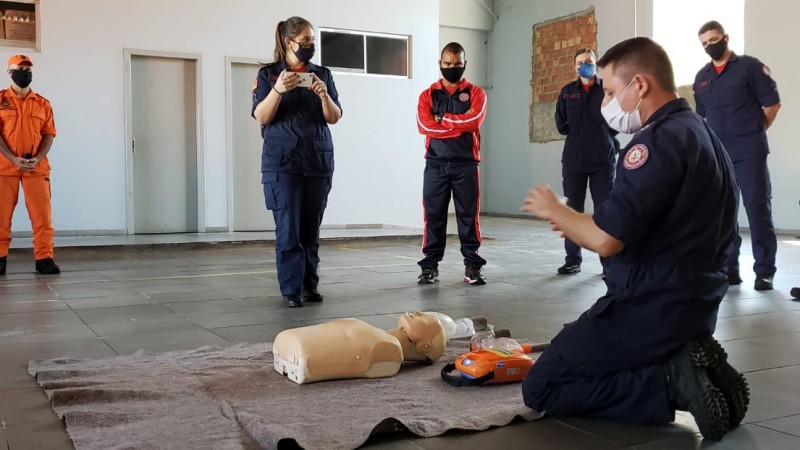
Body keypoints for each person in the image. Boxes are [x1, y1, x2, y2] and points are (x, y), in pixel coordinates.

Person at [520, 37, 748, 441]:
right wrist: (577, 222)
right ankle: (686, 362)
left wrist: (557, 210)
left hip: (650, 306)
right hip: (697, 302)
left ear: (638, 85)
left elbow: (608, 240)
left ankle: (670, 381)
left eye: (610, 91)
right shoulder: (702, 133)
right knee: (572, 346)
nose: (608, 102)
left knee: (542, 386)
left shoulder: (655, 143)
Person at [252, 16, 342, 308]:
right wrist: (278, 89)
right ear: (289, 42)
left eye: (313, 40)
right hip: (282, 163)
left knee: (310, 228)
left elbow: (334, 117)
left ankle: (308, 285)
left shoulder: (322, 74)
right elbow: (261, 116)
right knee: (288, 227)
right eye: (305, 40)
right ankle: (291, 289)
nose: (311, 45)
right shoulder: (268, 75)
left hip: (317, 161)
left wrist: (324, 95)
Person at [694, 20, 781, 291]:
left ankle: (764, 271)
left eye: (714, 39)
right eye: (705, 43)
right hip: (719, 156)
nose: (710, 45)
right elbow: (702, 117)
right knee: (724, 214)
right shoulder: (702, 77)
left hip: (749, 152)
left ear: (726, 38)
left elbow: (772, 105)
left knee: (757, 210)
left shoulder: (750, 67)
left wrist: (754, 131)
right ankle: (729, 269)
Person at [416, 42, 488, 285]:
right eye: (448, 64)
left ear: (464, 64)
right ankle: (429, 267)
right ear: (440, 64)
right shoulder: (428, 95)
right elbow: (425, 126)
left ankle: (473, 267)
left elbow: (474, 121)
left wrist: (443, 119)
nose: (452, 68)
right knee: (433, 216)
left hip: (466, 164)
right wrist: (458, 126)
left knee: (469, 217)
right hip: (435, 164)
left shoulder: (477, 93)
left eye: (457, 64)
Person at [554, 48, 618, 275]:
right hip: (574, 161)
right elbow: (561, 124)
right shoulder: (567, 92)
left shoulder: (608, 89)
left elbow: (617, 122)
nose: (585, 65)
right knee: (572, 212)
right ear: (574, 66)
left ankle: (609, 263)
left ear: (596, 63)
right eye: (580, 62)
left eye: (589, 61)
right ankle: (572, 259)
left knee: (605, 212)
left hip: (602, 160)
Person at [0, 55, 59, 276]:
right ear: (9, 72)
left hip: (36, 168)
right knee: (1, 217)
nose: (24, 72)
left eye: (27, 69)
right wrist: (13, 158)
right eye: (19, 68)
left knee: (42, 217)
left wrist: (39, 157)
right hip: (4, 169)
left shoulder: (42, 103)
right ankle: (0, 259)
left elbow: (49, 134)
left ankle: (44, 259)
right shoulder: (0, 100)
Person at [272, 311, 446, 384]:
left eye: (426, 319)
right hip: (298, 349)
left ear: (425, 346)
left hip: (300, 351)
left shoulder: (388, 347)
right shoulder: (381, 338)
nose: (418, 312)